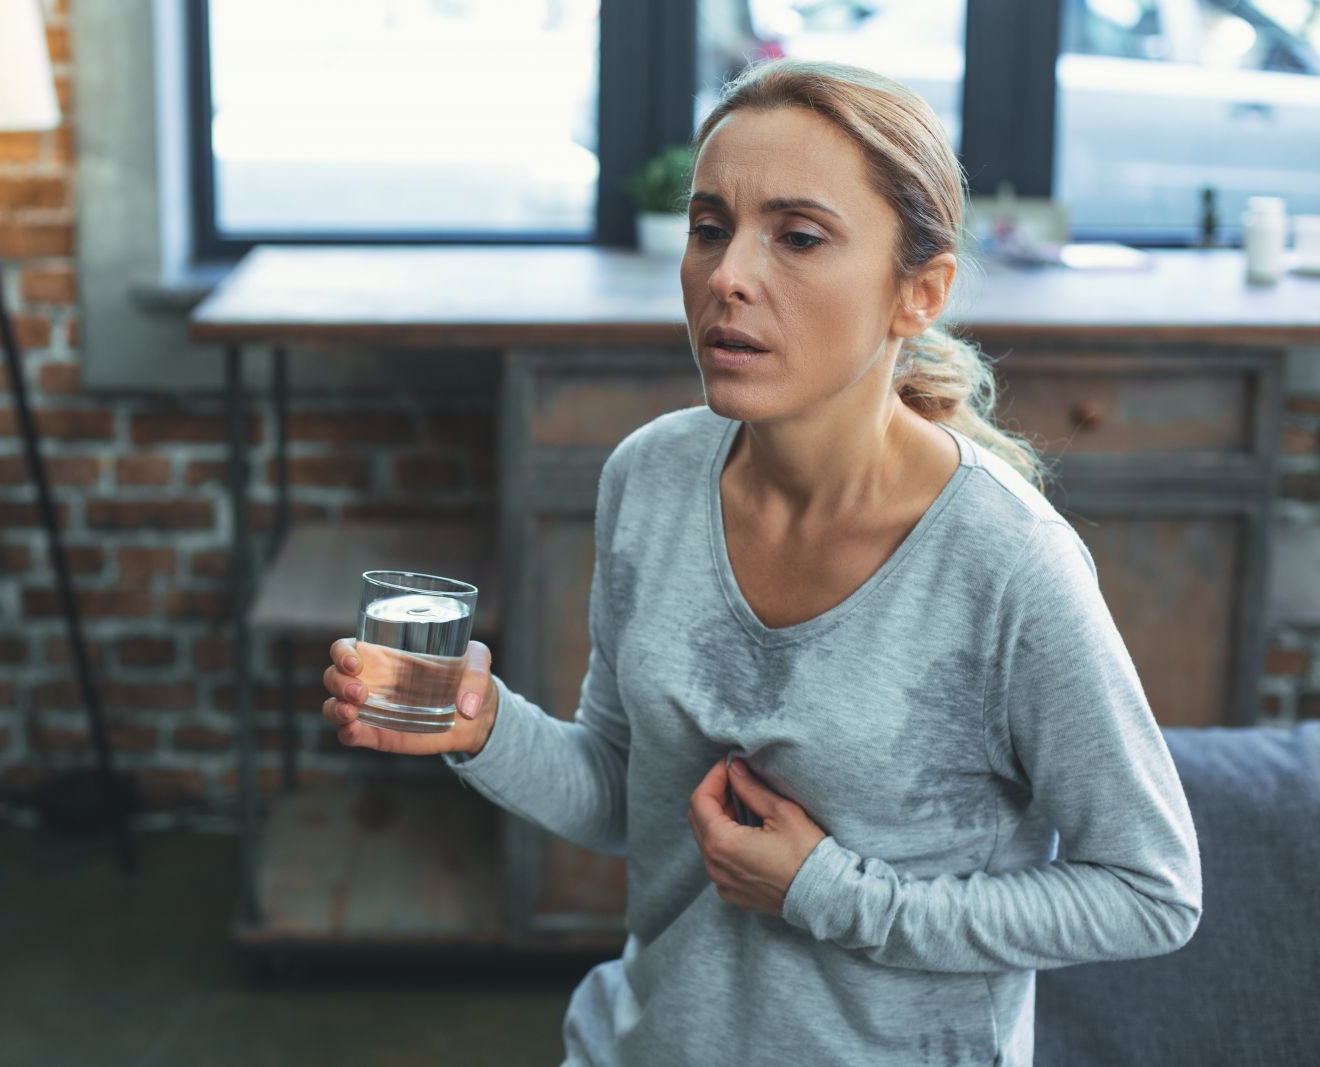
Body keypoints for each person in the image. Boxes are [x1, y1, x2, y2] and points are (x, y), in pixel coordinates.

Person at [319, 57, 1202, 1067]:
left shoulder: (1008, 565)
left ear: (918, 292)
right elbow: (622, 791)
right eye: (709, 228)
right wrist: (480, 726)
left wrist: (825, 890)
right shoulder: (648, 476)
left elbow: (1151, 892)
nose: (728, 275)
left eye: (797, 236)